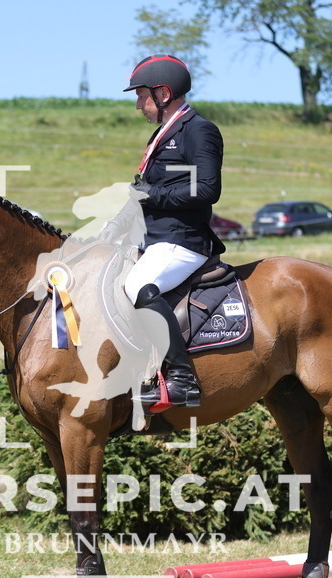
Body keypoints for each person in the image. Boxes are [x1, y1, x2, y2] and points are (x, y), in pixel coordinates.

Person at [122, 54, 225, 409]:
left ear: (163, 93)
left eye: (141, 96)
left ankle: (181, 378)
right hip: (154, 240)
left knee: (137, 286)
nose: (138, 105)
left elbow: (208, 189)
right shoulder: (162, 135)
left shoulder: (199, 130)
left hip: (183, 241)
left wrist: (152, 194)